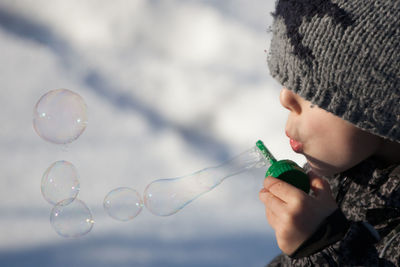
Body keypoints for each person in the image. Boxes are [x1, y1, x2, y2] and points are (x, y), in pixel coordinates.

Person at [259, 0, 400, 265]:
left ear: (384, 101)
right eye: (287, 82)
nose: (285, 98)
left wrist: (320, 246)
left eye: (313, 92)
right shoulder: (342, 178)